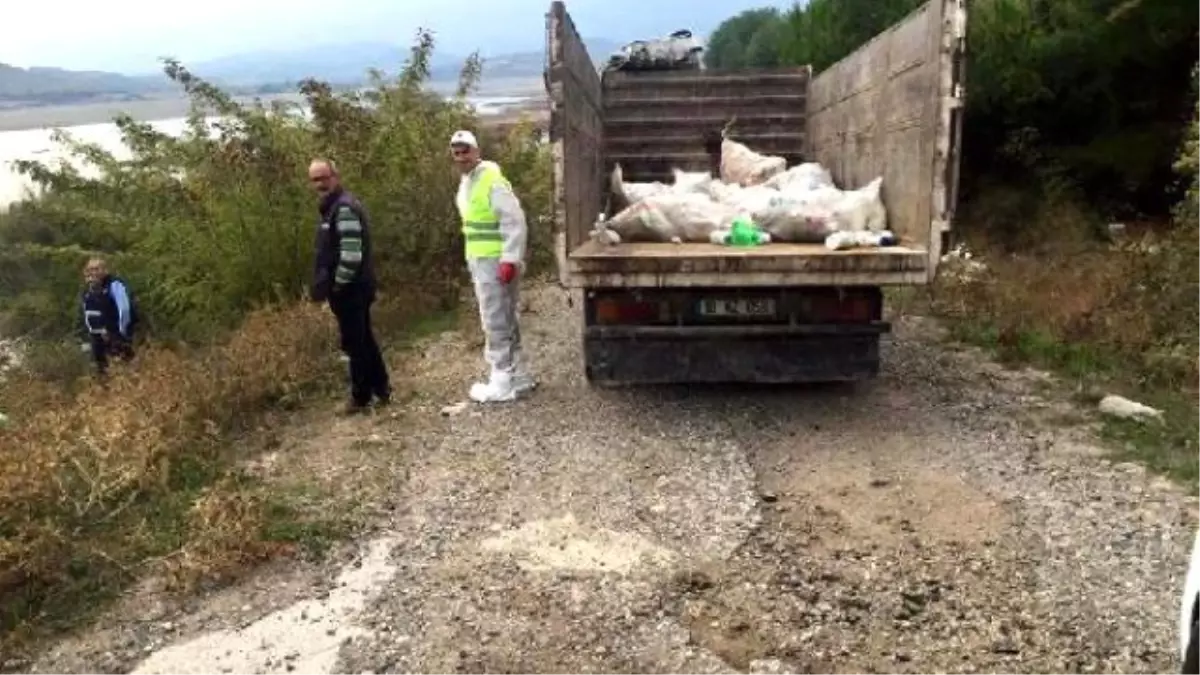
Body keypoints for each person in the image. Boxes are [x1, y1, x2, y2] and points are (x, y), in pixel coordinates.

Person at [449, 129, 535, 403]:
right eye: (457, 152)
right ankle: (516, 373)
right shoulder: (469, 181)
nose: (461, 157)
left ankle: (501, 379)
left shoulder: (491, 181)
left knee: (495, 319)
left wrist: (510, 259)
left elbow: (514, 221)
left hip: (495, 263)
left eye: (466, 151)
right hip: (483, 260)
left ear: (477, 151)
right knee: (506, 317)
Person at [308, 158, 391, 414]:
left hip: (351, 289)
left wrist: (337, 285)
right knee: (364, 339)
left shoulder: (343, 208)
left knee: (354, 343)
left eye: (324, 177)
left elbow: (351, 256)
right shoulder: (335, 207)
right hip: (354, 287)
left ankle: (360, 397)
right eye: (315, 179)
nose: (320, 184)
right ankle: (382, 388)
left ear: (335, 176)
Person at [79, 257, 137, 375]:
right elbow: (86, 317)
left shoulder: (115, 285)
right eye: (90, 270)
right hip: (97, 339)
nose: (93, 273)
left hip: (116, 337)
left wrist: (121, 334)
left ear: (105, 271)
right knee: (102, 373)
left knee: (123, 371)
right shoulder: (87, 293)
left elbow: (124, 310)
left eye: (96, 269)